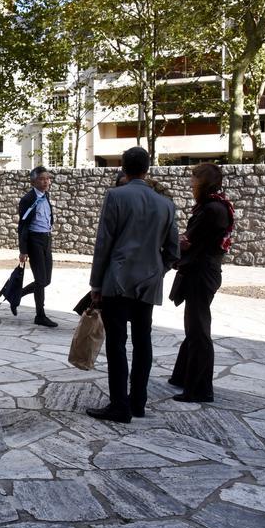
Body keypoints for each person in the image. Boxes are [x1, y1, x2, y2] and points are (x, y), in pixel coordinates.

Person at [86, 147, 180, 423]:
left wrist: (96, 283)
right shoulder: (166, 204)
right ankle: (138, 402)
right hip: (148, 283)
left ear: (124, 168)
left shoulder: (116, 196)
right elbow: (173, 251)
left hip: (117, 280)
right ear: (147, 168)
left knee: (117, 344)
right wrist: (157, 271)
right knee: (143, 342)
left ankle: (119, 405)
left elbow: (104, 242)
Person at [168, 163, 234, 403]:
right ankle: (183, 377)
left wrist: (178, 243)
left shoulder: (212, 209)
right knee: (194, 327)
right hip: (202, 271)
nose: (190, 183)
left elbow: (191, 241)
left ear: (204, 182)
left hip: (202, 273)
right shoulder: (213, 206)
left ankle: (200, 389)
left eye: (194, 178)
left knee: (198, 330)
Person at [17, 166, 57, 327]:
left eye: (47, 178)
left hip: (46, 239)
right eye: (42, 179)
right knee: (40, 280)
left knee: (46, 280)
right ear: (33, 182)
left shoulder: (45, 195)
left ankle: (17, 294)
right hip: (34, 240)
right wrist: (23, 250)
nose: (46, 181)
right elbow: (23, 225)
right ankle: (40, 315)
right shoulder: (27, 199)